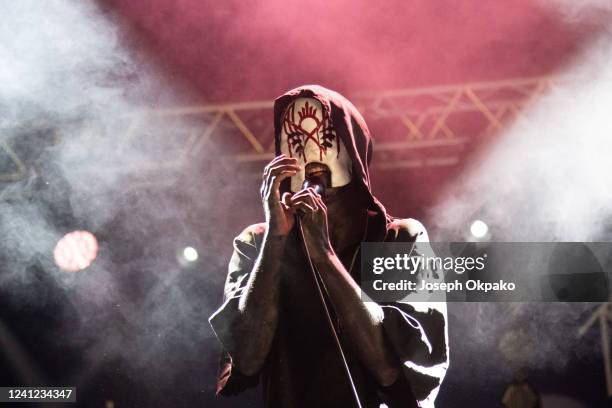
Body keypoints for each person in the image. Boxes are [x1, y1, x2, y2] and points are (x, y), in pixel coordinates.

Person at [209, 85, 448, 408]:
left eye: (324, 140)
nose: (310, 154)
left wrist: (324, 255)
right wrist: (276, 239)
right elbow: (247, 358)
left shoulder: (400, 238)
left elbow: (390, 368)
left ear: (352, 151)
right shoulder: (256, 242)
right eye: (295, 143)